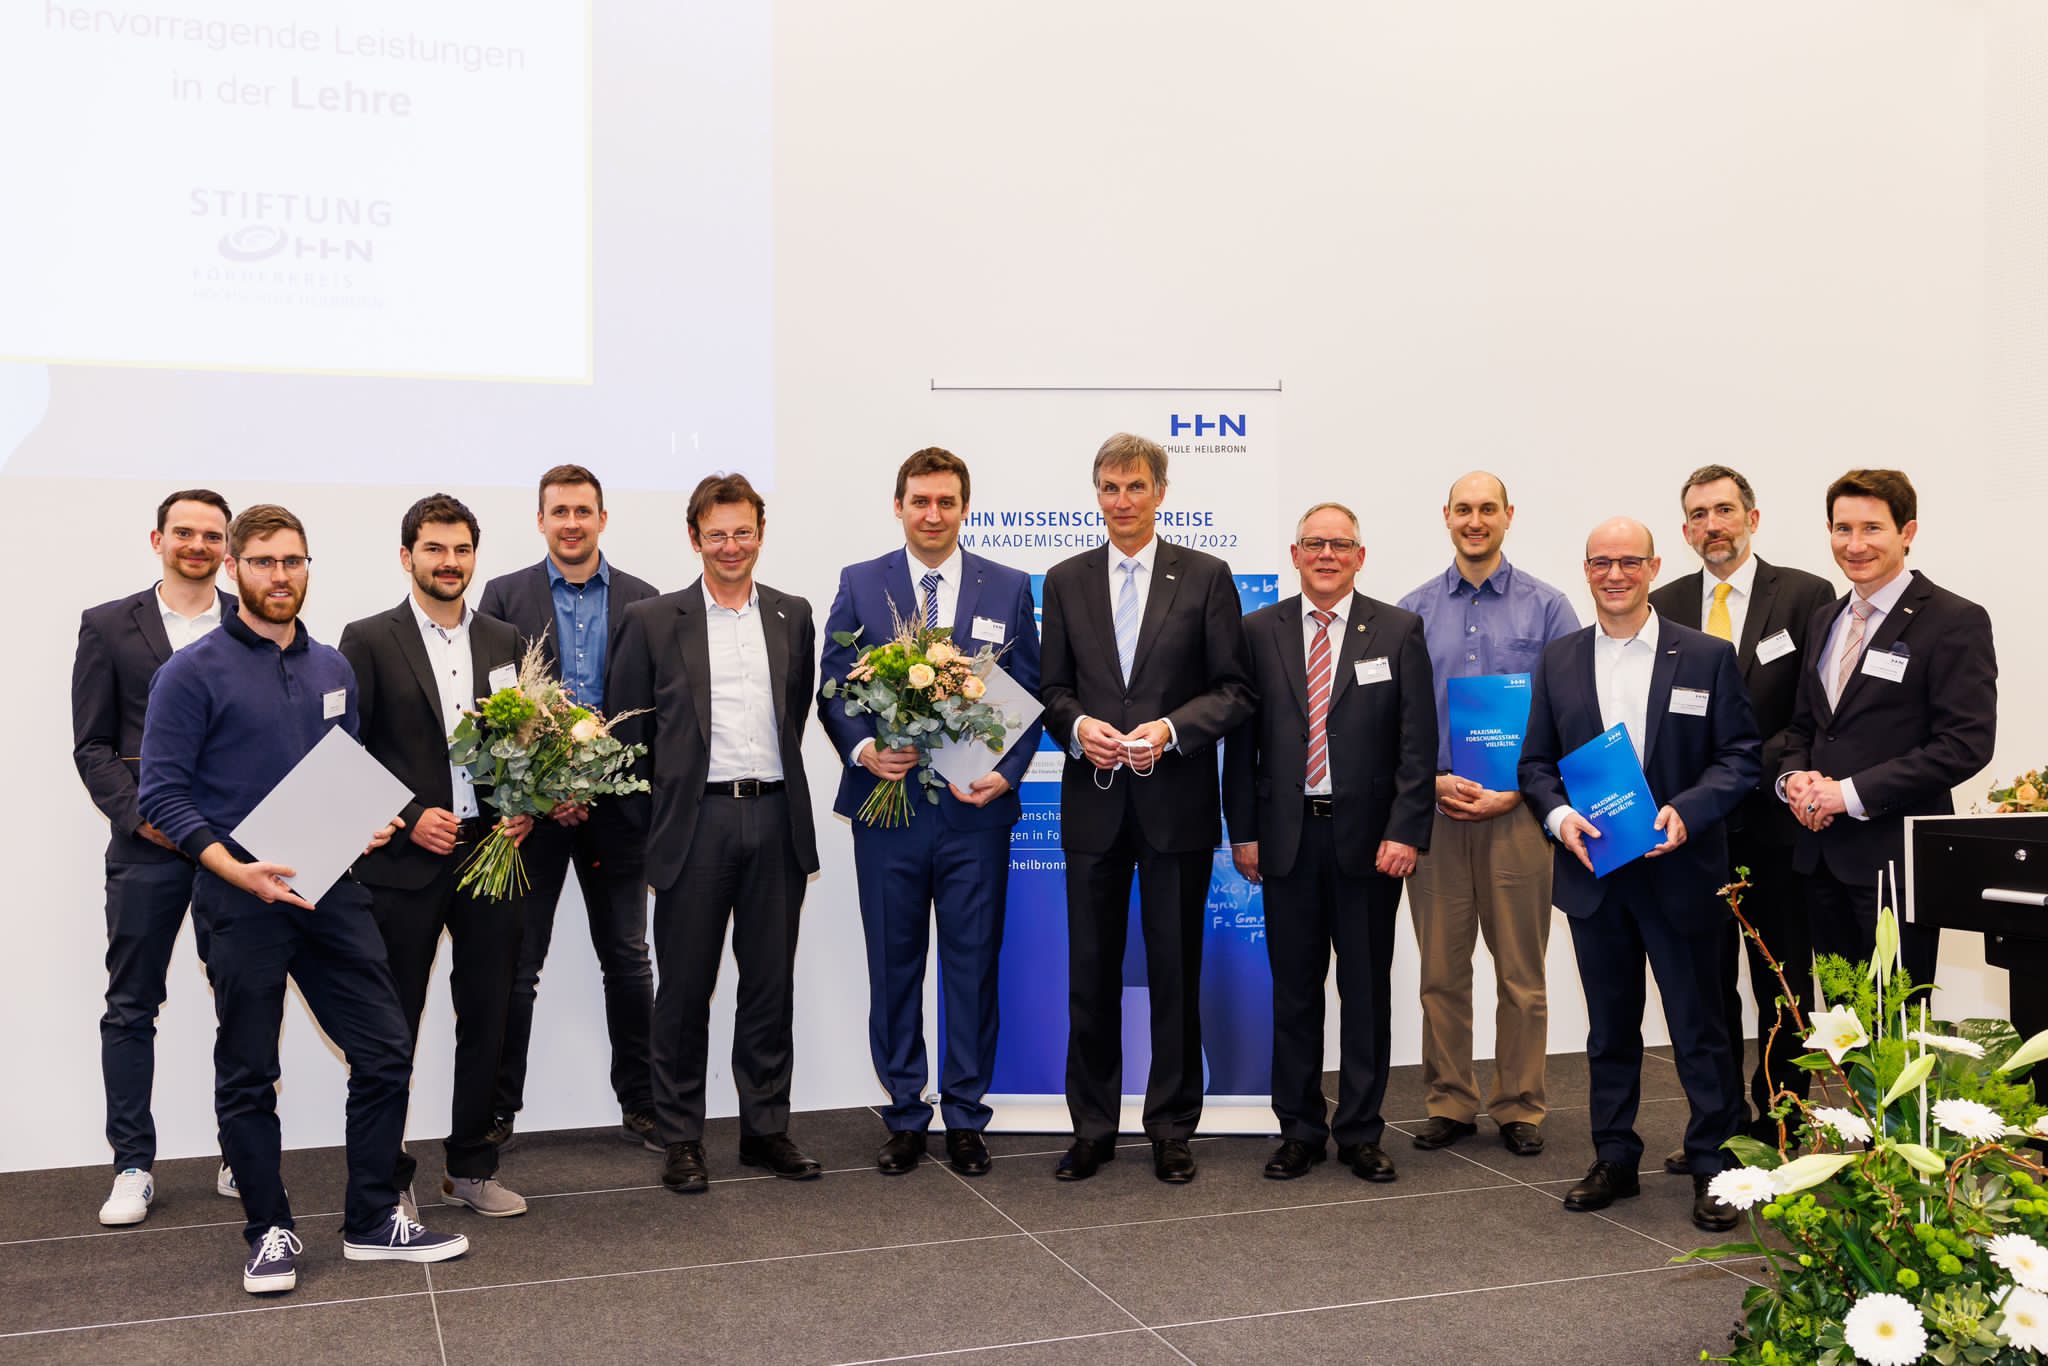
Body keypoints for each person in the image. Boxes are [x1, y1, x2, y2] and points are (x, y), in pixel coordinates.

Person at [138, 504, 468, 1294]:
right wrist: (233, 868)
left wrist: (366, 824)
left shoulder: (333, 669)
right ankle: (270, 1230)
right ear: (234, 569)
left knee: (384, 1050)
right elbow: (161, 795)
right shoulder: (189, 673)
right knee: (250, 1071)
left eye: (292, 561)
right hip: (239, 899)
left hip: (331, 891)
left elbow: (341, 768)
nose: (279, 576)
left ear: (307, 567)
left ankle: (372, 1221)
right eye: (262, 561)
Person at [1518, 517, 1759, 1234]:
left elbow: (1740, 757)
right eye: (1601, 562)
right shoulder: (1559, 658)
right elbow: (1535, 764)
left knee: (1700, 1029)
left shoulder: (1706, 656)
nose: (1615, 574)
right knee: (1610, 1030)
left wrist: (1689, 810)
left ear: (1654, 567)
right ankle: (1615, 1156)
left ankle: (1717, 1164)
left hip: (1680, 871)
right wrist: (1560, 817)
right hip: (1595, 875)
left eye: (1629, 561)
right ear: (1586, 570)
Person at [818, 448, 1042, 1177]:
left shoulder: (1007, 586)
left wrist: (1008, 773)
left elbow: (1031, 689)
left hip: (976, 813)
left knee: (972, 967)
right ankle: (906, 1114)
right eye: (920, 500)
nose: (933, 514)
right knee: (894, 965)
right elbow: (832, 686)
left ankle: (967, 1117)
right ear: (899, 506)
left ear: (964, 508)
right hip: (889, 812)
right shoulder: (861, 582)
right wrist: (863, 751)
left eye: (946, 501)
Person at [1038, 432, 1253, 1184]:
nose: (1122, 500)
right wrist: (1076, 728)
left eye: (1135, 486)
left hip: (1176, 806)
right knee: (1090, 975)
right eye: (1109, 487)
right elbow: (1051, 690)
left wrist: (1169, 730)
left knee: (1175, 972)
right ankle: (1092, 1128)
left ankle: (1170, 1127)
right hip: (1093, 807)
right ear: (1096, 494)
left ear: (1161, 492)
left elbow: (1234, 691)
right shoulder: (1064, 580)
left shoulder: (1206, 576)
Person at [609, 473, 823, 1195]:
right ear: (694, 537)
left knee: (769, 985)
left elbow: (793, 716)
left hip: (775, 817)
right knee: (684, 991)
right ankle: (681, 1138)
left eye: (743, 532)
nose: (731, 546)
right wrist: (654, 829)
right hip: (694, 825)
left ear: (761, 533)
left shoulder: (793, 614)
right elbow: (627, 738)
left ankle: (765, 1130)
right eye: (717, 534)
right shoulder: (651, 620)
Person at [1223, 503, 1435, 1183]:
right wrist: (1244, 833)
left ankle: (1362, 1132)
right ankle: (1300, 1130)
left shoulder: (1397, 629)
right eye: (1314, 543)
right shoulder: (1258, 631)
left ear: (1359, 557)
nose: (1326, 555)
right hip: (1286, 841)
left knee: (1366, 993)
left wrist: (1405, 830)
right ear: (1295, 554)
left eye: (1340, 545)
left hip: (1371, 845)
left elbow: (1417, 743)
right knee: (1295, 993)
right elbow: (1242, 747)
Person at [340, 494, 532, 1219]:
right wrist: (410, 818)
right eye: (434, 549)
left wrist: (524, 804)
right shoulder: (367, 639)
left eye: (461, 550)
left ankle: (472, 1168)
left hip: (491, 857)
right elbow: (345, 753)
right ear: (407, 556)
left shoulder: (505, 639)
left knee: (488, 1015)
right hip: (403, 863)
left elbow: (523, 742)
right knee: (391, 1025)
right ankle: (386, 1177)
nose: (449, 563)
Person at [1647, 465, 1835, 1169]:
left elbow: (1811, 712)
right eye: (1698, 515)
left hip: (1773, 827)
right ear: (1685, 530)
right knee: (1705, 989)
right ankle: (1722, 1125)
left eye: (1724, 511)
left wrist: (1742, 774)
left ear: (1752, 519)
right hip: (1692, 833)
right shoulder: (1663, 603)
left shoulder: (1806, 596)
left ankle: (1783, 1127)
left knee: (1780, 986)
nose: (1712, 526)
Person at [1395, 473, 1578, 1157]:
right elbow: (1399, 721)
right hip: (1438, 813)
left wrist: (1522, 792)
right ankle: (1449, 1100)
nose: (1476, 521)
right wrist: (1433, 781)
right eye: (1464, 509)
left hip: (1518, 815)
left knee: (1521, 976)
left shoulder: (1549, 608)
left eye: (1488, 509)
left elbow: (1570, 712)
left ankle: (1520, 1105)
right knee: (1441, 974)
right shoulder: (1411, 612)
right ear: (1446, 516)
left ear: (1508, 516)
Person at [479, 464, 661, 1151]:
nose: (572, 523)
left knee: (629, 960)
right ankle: (498, 1109)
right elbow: (494, 708)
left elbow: (654, 714)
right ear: (541, 521)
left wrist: (595, 783)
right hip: (531, 815)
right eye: (559, 512)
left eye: (584, 511)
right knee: (518, 966)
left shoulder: (644, 600)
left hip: (619, 813)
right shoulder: (503, 597)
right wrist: (545, 789)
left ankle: (643, 1104)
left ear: (602, 519)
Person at [73, 489, 239, 1225]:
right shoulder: (109, 625)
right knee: (131, 1004)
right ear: (158, 539)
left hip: (233, 851)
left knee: (243, 997)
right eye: (184, 532)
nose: (197, 545)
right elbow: (92, 745)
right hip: (147, 850)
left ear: (226, 549)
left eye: (212, 535)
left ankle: (241, 1153)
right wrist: (148, 818)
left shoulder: (251, 621)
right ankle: (132, 1164)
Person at [1778, 469, 1997, 989]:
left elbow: (1965, 743)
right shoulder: (1825, 619)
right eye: (1843, 528)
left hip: (1895, 861)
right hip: (1820, 857)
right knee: (1841, 1019)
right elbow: (1805, 726)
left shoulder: (1954, 619)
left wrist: (1849, 794)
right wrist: (1794, 780)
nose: (1855, 545)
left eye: (1872, 528)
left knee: (1895, 1020)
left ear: (1907, 532)